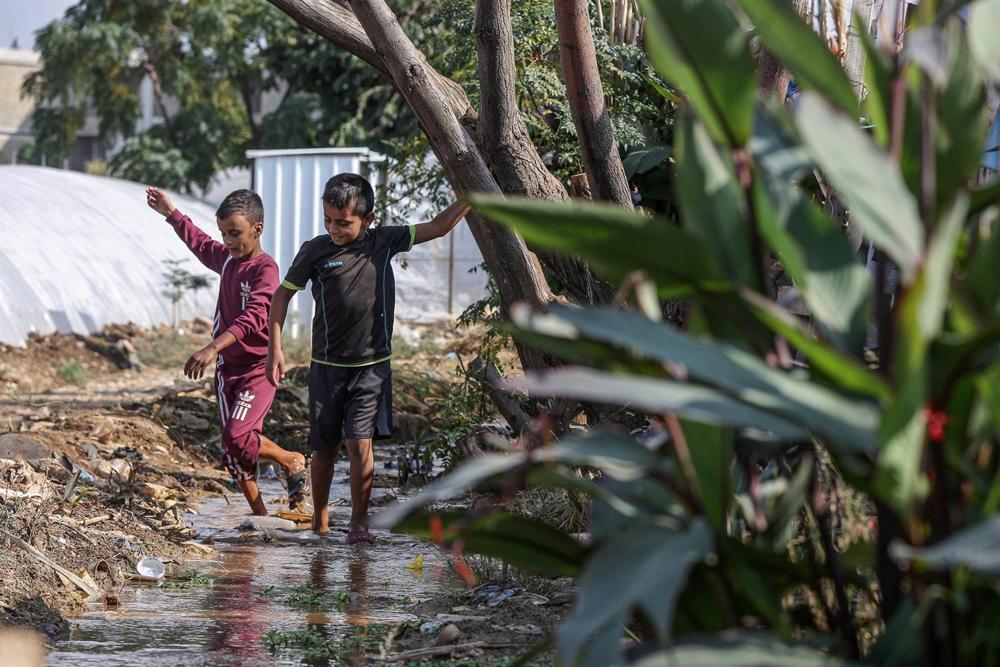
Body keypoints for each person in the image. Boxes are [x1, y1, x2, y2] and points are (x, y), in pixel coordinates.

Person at [266, 173, 469, 543]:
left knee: (361, 446)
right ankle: (321, 522)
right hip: (327, 369)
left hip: (371, 368)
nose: (334, 229)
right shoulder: (315, 250)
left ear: (368, 219)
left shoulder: (384, 241)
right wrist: (274, 348)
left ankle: (359, 525)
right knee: (324, 448)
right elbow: (282, 297)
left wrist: (475, 195)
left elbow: (440, 226)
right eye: (328, 220)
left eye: (343, 222)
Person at [145, 186, 308, 516]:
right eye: (224, 234)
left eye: (235, 234)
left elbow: (255, 317)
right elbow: (202, 244)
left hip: (258, 369)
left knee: (236, 435)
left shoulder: (265, 269)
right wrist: (171, 213)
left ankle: (291, 460)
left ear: (257, 229)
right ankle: (261, 518)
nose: (229, 242)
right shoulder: (228, 260)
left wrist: (212, 347)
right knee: (234, 452)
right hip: (227, 371)